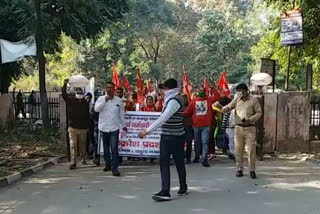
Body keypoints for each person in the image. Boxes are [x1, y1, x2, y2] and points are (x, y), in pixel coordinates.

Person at [139, 78, 187, 202]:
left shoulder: (175, 101)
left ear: (169, 89)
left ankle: (183, 185)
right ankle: (165, 191)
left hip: (176, 137)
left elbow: (163, 118)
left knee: (179, 162)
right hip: (166, 136)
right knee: (164, 163)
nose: (163, 91)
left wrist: (147, 131)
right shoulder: (169, 100)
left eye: (164, 88)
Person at [220, 83, 262, 179]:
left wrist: (251, 119)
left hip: (250, 128)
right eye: (238, 91)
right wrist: (220, 108)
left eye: (242, 91)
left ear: (246, 91)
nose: (240, 93)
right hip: (238, 128)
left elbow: (259, 112)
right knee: (238, 149)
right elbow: (228, 107)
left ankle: (251, 170)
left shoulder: (253, 100)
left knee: (251, 149)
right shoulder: (236, 100)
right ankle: (239, 169)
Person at [94, 82, 127, 177]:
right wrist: (105, 100)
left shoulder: (118, 100)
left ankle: (115, 168)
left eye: (111, 88)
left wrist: (123, 125)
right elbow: (96, 109)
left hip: (114, 128)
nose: (109, 89)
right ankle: (108, 164)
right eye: (107, 87)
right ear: (106, 88)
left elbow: (121, 114)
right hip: (104, 127)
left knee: (114, 148)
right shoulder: (101, 98)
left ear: (114, 89)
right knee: (106, 148)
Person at [184, 86, 220, 167]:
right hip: (196, 125)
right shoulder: (194, 101)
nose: (201, 92)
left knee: (205, 142)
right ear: (197, 92)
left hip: (206, 125)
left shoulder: (209, 99)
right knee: (197, 142)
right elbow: (187, 112)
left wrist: (212, 88)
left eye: (203, 90)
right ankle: (197, 157)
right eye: (200, 90)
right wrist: (179, 114)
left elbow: (218, 97)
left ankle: (204, 159)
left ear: (205, 91)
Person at [62, 79, 90, 170]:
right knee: (73, 145)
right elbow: (64, 95)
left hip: (83, 128)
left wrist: (88, 126)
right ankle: (73, 162)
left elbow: (87, 115)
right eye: (77, 91)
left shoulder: (85, 103)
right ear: (75, 93)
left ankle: (83, 158)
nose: (79, 93)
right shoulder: (71, 101)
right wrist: (65, 84)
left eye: (80, 92)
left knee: (82, 145)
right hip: (73, 128)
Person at [182, 94, 193, 164]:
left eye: (185, 98)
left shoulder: (190, 106)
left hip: (189, 126)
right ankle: (182, 157)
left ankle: (188, 158)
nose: (184, 100)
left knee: (189, 143)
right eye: (183, 99)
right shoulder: (178, 107)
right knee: (181, 144)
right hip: (181, 127)